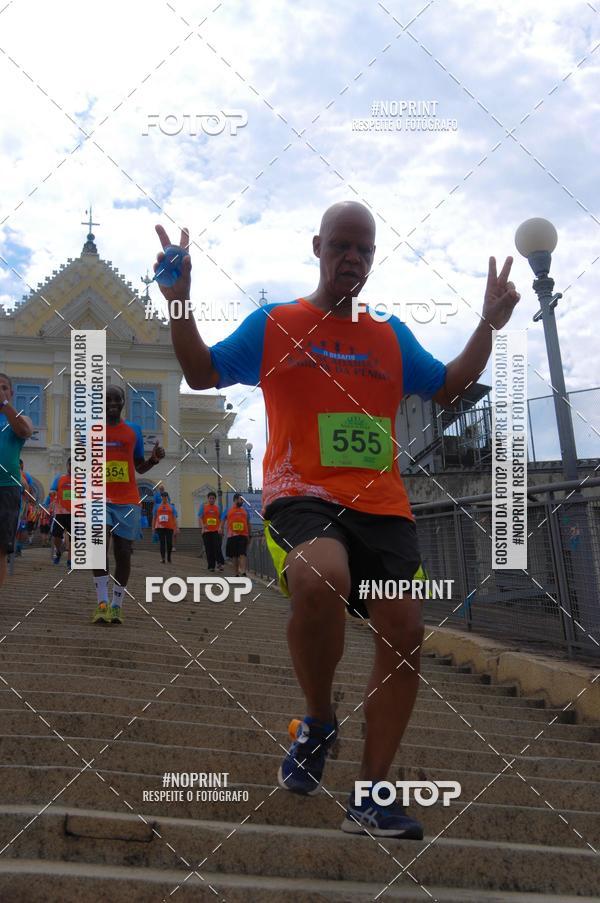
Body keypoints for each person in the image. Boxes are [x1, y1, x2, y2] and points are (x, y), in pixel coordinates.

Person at [154, 202, 520, 839]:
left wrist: (488, 324)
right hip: (302, 495)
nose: (353, 258)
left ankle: (371, 794)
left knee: (405, 631)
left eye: (365, 250)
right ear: (317, 246)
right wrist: (179, 301)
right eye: (342, 246)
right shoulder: (275, 324)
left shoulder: (389, 335)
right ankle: (319, 718)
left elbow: (452, 386)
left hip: (383, 507)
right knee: (321, 575)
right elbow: (200, 370)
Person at [92, 385, 164, 624]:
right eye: (107, 400)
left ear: (123, 402)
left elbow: (139, 466)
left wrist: (153, 460)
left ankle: (116, 605)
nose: (112, 403)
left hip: (127, 500)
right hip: (100, 498)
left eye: (116, 399)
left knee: (123, 553)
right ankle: (101, 603)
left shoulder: (133, 430)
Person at [0, 374, 33, 588]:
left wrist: (4, 405)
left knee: (0, 548)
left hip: (6, 489)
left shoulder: (18, 418)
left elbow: (25, 430)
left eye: (4, 387)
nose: (0, 390)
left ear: (11, 393)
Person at [50, 458, 72, 568]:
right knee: (56, 536)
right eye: (70, 465)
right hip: (61, 512)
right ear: (67, 465)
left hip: (76, 512)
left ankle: (70, 561)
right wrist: (52, 492)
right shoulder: (60, 478)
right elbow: (52, 490)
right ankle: (58, 551)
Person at [224, 493, 250, 577]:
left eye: (242, 500)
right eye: (240, 499)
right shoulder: (228, 510)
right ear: (235, 500)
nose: (242, 501)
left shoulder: (245, 511)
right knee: (234, 556)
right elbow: (222, 519)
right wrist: (220, 528)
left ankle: (243, 571)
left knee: (242, 553)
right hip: (232, 536)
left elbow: (248, 523)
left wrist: (249, 534)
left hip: (243, 535)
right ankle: (236, 572)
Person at [198, 490, 225, 571]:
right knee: (209, 549)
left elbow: (221, 519)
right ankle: (211, 566)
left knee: (217, 547)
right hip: (206, 531)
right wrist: (202, 527)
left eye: (213, 498)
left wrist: (220, 527)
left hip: (216, 531)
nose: (212, 500)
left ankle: (220, 563)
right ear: (208, 499)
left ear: (215, 499)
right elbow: (200, 517)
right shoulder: (204, 507)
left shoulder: (218, 508)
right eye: (210, 498)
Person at [153, 490, 178, 563]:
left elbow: (174, 517)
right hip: (160, 527)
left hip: (169, 527)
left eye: (165, 497)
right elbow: (154, 517)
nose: (164, 498)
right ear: (161, 498)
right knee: (162, 543)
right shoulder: (157, 506)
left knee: (169, 543)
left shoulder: (171, 506)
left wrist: (176, 527)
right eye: (163, 497)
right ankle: (163, 558)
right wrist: (153, 527)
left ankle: (169, 557)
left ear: (167, 498)